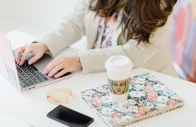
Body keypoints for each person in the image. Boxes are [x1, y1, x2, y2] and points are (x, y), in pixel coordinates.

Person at [14, 0, 178, 79]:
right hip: (97, 72)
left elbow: (136, 52)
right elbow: (76, 21)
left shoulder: (159, 4)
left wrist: (80, 60)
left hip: (145, 76)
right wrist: (45, 44)